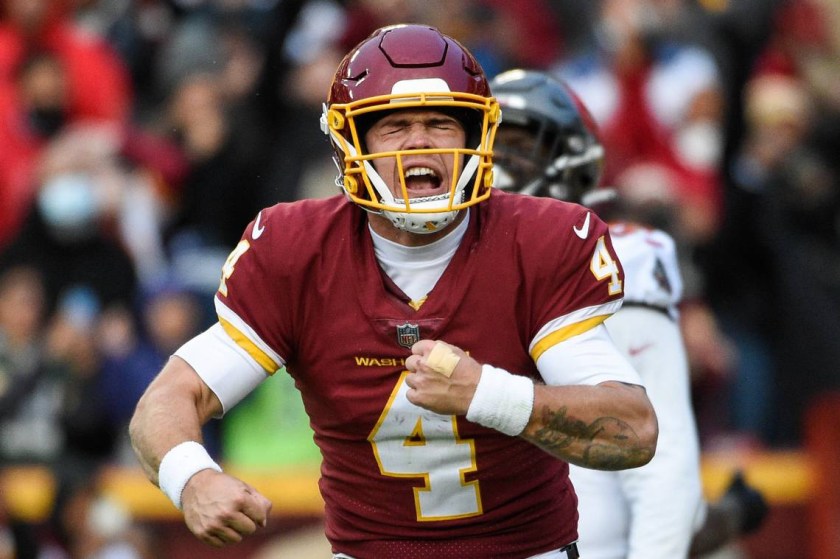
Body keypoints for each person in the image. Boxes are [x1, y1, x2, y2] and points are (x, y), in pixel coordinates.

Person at [129, 24, 659, 559]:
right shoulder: (296, 251)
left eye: (441, 124)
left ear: (477, 138)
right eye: (395, 126)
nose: (419, 142)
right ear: (351, 145)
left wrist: (488, 395)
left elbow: (632, 429)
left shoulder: (538, 241)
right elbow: (168, 398)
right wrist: (191, 478)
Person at [490, 68, 767, 559]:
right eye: (489, 147)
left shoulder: (616, 261)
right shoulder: (424, 266)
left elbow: (662, 474)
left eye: (518, 146)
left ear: (572, 163)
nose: (500, 166)